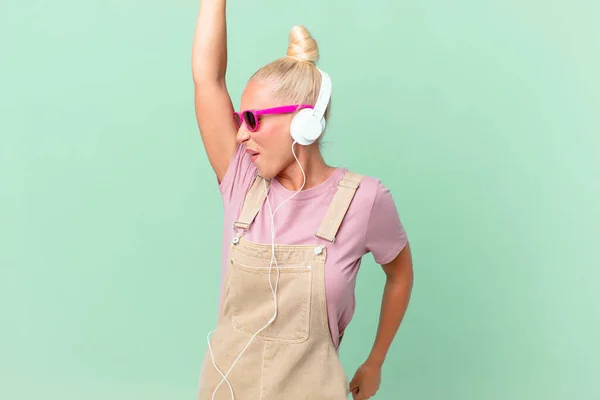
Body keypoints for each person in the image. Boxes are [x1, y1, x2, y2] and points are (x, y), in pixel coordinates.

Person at [191, 1, 414, 399]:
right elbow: (208, 78)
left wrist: (374, 360)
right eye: (240, 121)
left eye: (253, 120)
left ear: (304, 121)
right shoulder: (241, 178)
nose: (241, 134)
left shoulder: (364, 199)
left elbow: (400, 275)